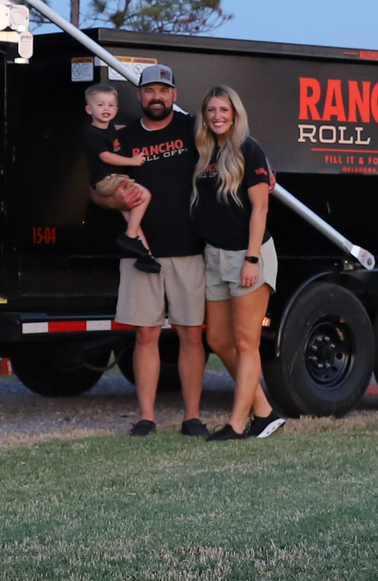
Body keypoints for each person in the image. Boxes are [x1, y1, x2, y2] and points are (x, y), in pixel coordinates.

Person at [96, 64, 208, 436]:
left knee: (192, 335)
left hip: (189, 250)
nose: (156, 97)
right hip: (140, 251)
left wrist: (266, 171)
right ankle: (147, 417)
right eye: (149, 91)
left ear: (174, 95)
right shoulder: (122, 139)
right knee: (146, 335)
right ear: (139, 96)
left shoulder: (192, 129)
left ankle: (192, 417)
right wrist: (114, 201)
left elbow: (235, 149)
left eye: (164, 90)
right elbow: (97, 189)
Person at [192, 84, 288, 441]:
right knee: (218, 339)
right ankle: (263, 412)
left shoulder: (249, 149)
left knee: (246, 342)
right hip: (214, 256)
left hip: (248, 255)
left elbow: (260, 208)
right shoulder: (204, 152)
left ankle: (236, 424)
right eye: (211, 110)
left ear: (235, 114)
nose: (217, 116)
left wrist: (251, 259)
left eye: (223, 110)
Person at [79, 81, 158, 269]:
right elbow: (106, 156)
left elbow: (118, 130)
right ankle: (130, 236)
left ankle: (145, 256)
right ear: (89, 109)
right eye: (100, 105)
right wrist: (133, 161)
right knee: (144, 195)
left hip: (112, 180)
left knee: (132, 215)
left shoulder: (110, 128)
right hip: (107, 180)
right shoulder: (91, 134)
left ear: (116, 110)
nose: (106, 109)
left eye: (110, 105)